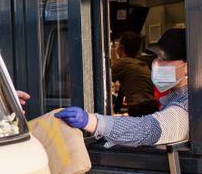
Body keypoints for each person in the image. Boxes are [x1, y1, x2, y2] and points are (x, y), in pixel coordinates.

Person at [54, 28, 189, 147]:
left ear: (187, 67)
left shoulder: (186, 106)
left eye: (164, 58)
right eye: (157, 57)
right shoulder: (174, 96)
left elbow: (147, 130)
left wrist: (92, 121)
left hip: (140, 109)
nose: (156, 63)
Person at [110, 31, 158, 116]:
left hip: (139, 108)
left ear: (121, 47)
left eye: (118, 43)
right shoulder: (140, 64)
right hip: (151, 106)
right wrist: (117, 107)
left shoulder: (123, 63)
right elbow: (123, 88)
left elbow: (104, 78)